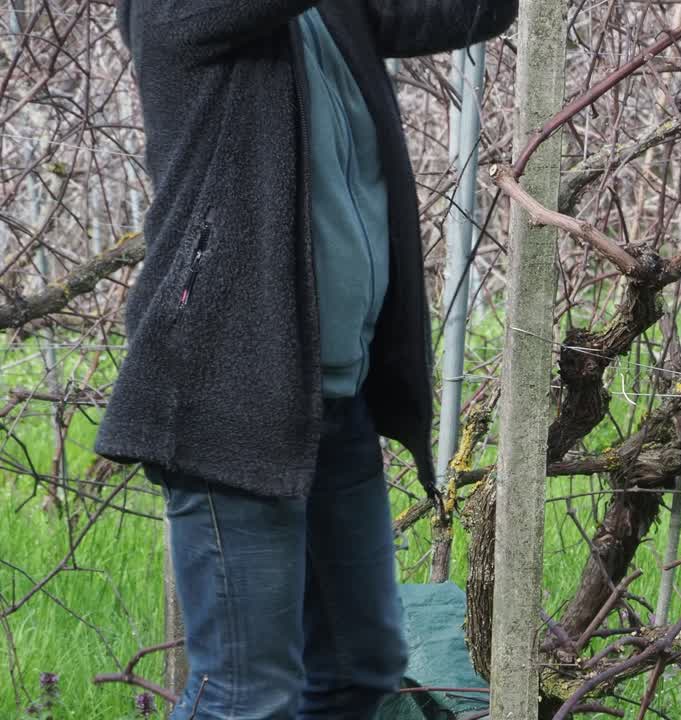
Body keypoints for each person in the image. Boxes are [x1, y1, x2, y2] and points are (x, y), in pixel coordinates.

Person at [97, 2, 517, 717]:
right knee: (247, 695)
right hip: (229, 400)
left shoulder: (329, 15)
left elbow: (469, 10)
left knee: (362, 666)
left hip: (333, 399)